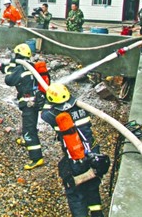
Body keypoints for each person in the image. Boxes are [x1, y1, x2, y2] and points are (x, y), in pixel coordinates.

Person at [41, 83, 108, 217]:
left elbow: (43, 113)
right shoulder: (83, 109)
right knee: (92, 187)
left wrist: (46, 100)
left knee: (75, 194)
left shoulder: (53, 116)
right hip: (94, 154)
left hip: (75, 160)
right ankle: (97, 214)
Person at [0, 43, 45, 170]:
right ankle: (26, 140)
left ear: (17, 54)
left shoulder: (20, 68)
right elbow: (11, 68)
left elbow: (9, 80)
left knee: (29, 129)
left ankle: (36, 158)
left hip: (29, 102)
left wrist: (5, 69)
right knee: (30, 122)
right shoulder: (30, 66)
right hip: (36, 100)